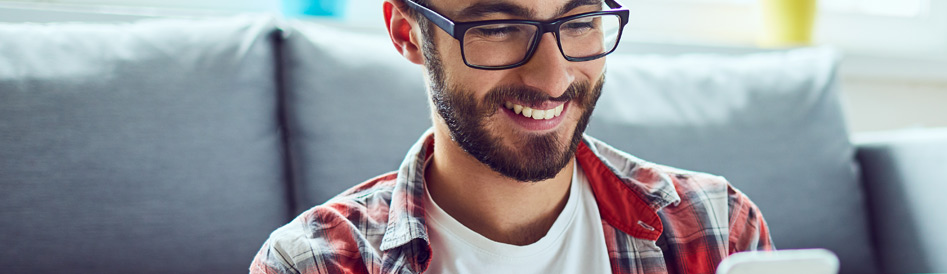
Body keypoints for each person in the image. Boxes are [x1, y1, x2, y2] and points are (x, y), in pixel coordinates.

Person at [248, 0, 774, 273]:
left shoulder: (719, 230)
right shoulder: (315, 263)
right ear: (408, 33)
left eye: (580, 20)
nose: (554, 79)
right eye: (497, 28)